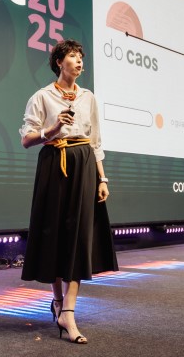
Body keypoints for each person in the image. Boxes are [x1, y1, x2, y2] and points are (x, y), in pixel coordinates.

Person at [19, 39, 118, 344]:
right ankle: (58, 302)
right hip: (54, 162)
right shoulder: (42, 96)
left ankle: (69, 312)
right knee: (55, 235)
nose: (79, 61)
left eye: (81, 57)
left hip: (84, 164)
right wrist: (51, 130)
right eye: (73, 56)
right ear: (59, 61)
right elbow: (26, 139)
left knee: (79, 237)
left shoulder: (89, 98)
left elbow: (95, 141)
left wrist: (102, 178)